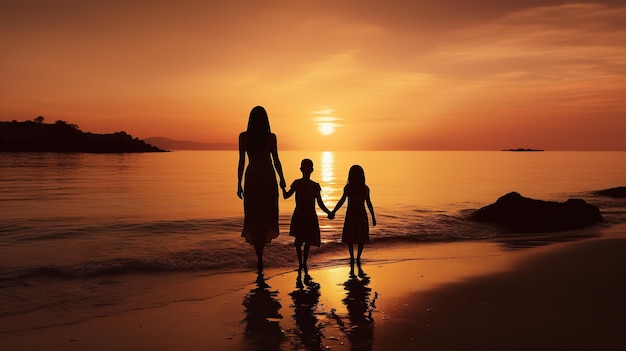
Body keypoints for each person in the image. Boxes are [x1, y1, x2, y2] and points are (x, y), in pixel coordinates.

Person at [237, 106, 287, 272]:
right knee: (266, 216)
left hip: (252, 180)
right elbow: (276, 161)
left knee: (254, 217)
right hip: (267, 179)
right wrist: (282, 179)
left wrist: (238, 183)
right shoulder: (271, 137)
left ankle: (259, 257)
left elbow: (242, 162)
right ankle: (261, 256)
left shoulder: (244, 137)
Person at [283, 159, 331, 274]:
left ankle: (301, 264)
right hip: (310, 215)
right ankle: (304, 263)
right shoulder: (315, 186)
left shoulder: (297, 183)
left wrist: (282, 187)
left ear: (301, 170)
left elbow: (285, 196)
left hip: (299, 214)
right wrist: (329, 212)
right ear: (312, 170)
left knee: (298, 241)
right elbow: (320, 203)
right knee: (307, 241)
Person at [329, 165, 376, 267]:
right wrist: (373, 216)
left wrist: (333, 211)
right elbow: (368, 203)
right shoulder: (362, 188)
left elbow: (342, 201)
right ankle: (357, 257)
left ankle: (353, 257)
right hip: (360, 214)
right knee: (360, 239)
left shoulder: (351, 188)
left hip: (352, 214)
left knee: (350, 238)